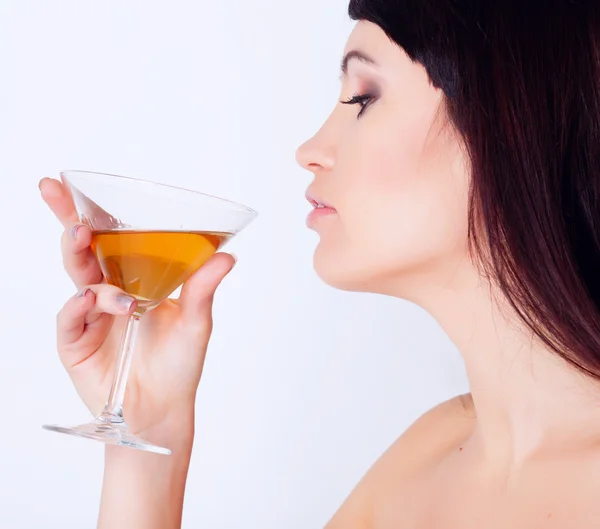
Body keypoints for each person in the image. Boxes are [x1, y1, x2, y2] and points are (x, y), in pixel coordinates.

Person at [38, 0, 600, 527]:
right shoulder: (434, 446)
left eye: (363, 98)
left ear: (511, 123)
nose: (308, 149)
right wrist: (147, 430)